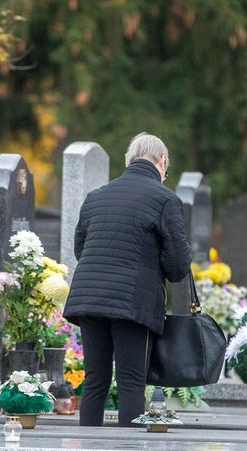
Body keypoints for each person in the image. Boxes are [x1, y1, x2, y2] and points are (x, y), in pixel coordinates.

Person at [63, 132, 193, 427]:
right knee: (131, 382)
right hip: (133, 303)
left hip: (90, 299)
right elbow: (177, 266)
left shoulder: (96, 196)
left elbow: (81, 249)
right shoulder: (166, 200)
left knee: (95, 380)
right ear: (162, 162)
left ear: (128, 160)